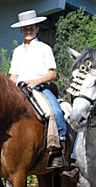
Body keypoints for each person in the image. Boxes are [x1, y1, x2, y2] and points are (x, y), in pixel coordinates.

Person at [8, 10, 66, 169]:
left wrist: (37, 80)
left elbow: (52, 73)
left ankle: (58, 147)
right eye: (25, 28)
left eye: (31, 28)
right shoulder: (17, 51)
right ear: (21, 30)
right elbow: (14, 75)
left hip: (39, 88)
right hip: (19, 89)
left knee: (55, 111)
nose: (28, 31)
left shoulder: (44, 48)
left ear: (37, 29)